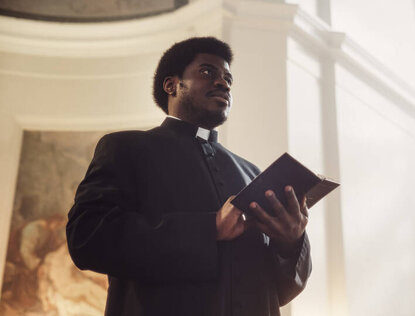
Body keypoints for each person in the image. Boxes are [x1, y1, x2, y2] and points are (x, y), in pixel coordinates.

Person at [66, 37, 311, 316]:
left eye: (228, 78)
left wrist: (291, 243)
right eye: (208, 72)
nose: (224, 83)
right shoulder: (125, 148)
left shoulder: (252, 173)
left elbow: (280, 291)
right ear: (171, 85)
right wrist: (210, 228)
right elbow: (86, 238)